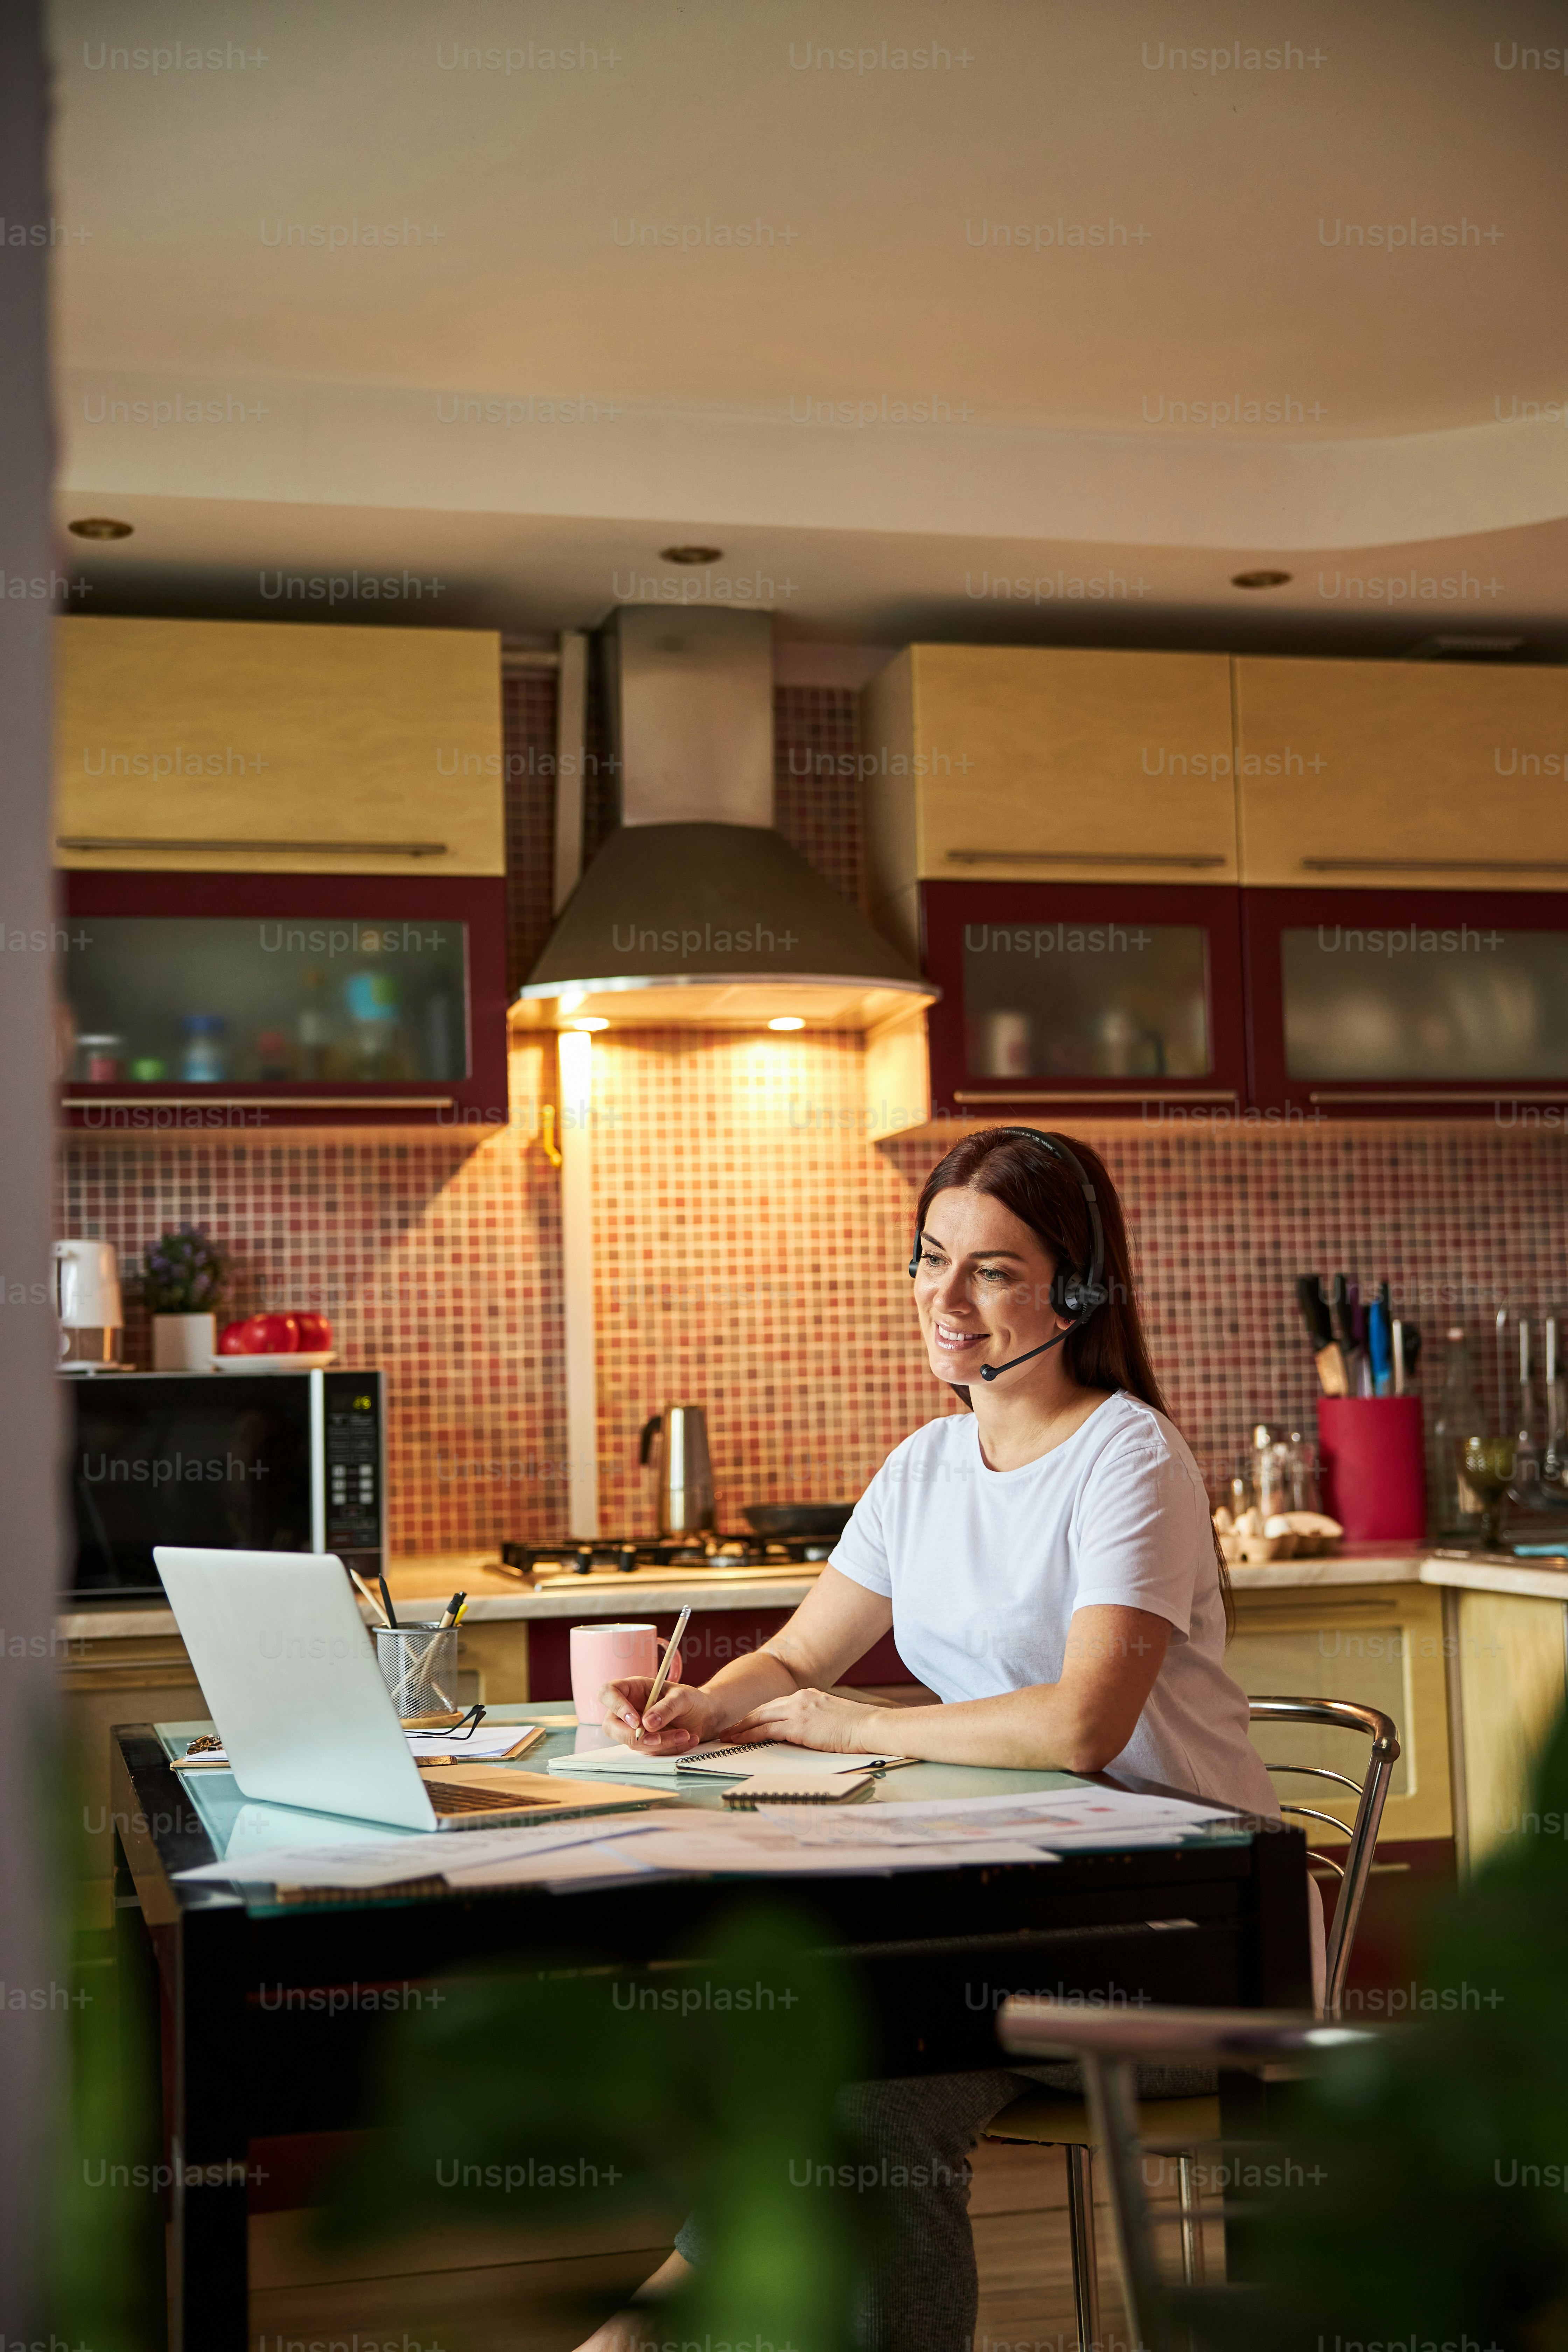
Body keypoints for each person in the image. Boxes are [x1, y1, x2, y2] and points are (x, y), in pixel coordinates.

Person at [575, 1126, 1304, 2352]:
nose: (945, 1299)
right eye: (930, 1258)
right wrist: (705, 1698)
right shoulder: (924, 1465)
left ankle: (646, 2335)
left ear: (1075, 1293)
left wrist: (861, 1724)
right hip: (1019, 1911)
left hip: (1184, 1939)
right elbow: (802, 1655)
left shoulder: (1131, 1458)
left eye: (993, 1271)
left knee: (865, 2082)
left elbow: (1083, 1725)